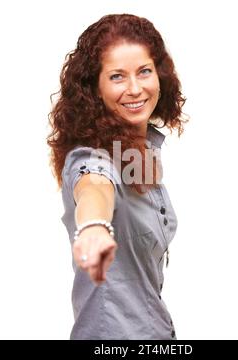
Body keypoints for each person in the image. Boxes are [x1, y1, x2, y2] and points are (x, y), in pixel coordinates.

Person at [47, 13, 188, 340]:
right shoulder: (92, 156)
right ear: (94, 88)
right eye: (117, 77)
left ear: (160, 75)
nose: (135, 88)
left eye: (144, 71)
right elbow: (95, 183)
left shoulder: (140, 153)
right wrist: (95, 225)